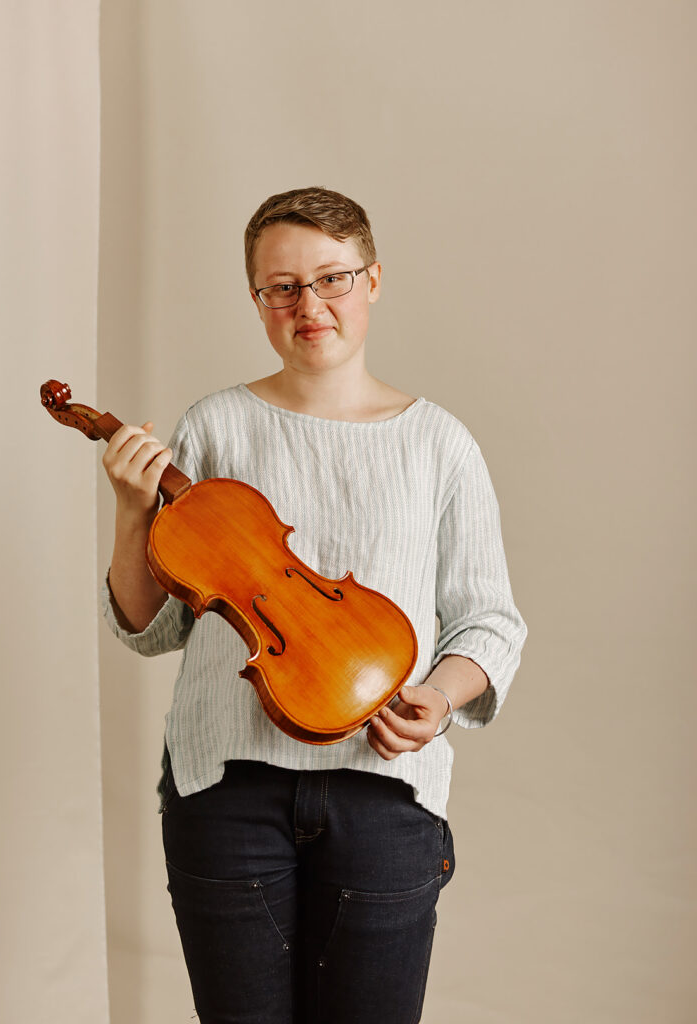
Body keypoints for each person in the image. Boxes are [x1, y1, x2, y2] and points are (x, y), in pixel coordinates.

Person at [101, 186, 527, 1023]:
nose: (310, 306)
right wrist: (130, 513)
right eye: (283, 287)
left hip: (386, 789)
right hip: (227, 788)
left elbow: (490, 620)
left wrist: (438, 699)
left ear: (373, 280)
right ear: (258, 300)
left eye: (332, 279)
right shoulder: (215, 426)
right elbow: (152, 628)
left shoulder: (438, 441)